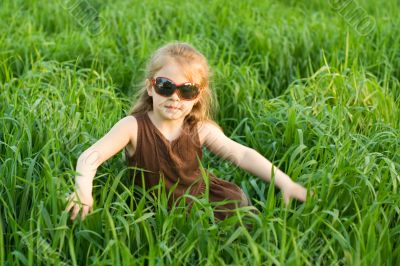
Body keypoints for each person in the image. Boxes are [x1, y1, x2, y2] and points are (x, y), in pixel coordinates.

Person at [65, 42, 308, 221]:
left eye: (187, 91)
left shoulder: (200, 129)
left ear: (198, 96)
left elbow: (242, 155)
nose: (174, 97)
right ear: (151, 87)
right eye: (165, 86)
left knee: (239, 210)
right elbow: (91, 156)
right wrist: (83, 189)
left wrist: (285, 182)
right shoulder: (133, 127)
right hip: (150, 210)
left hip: (199, 201)